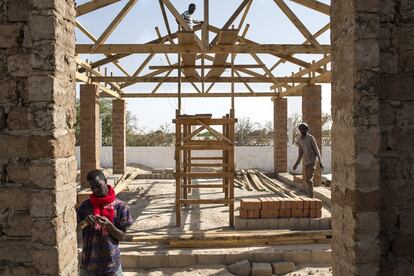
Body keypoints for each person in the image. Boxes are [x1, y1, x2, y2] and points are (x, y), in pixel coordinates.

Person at [77, 169, 133, 276]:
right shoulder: (85, 207)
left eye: (98, 186)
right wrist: (85, 222)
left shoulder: (121, 207)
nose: (96, 190)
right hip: (89, 264)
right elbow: (76, 229)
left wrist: (109, 226)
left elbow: (122, 237)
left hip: (111, 265)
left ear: (106, 181)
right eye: (92, 188)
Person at [292, 123, 324, 198]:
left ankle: (312, 196)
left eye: (305, 129)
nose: (303, 131)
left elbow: (316, 150)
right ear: (300, 130)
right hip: (306, 161)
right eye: (302, 130)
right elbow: (300, 153)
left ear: (307, 130)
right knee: (307, 180)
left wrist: (320, 162)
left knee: (309, 180)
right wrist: (297, 163)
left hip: (312, 161)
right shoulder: (300, 140)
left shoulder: (310, 138)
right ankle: (311, 195)